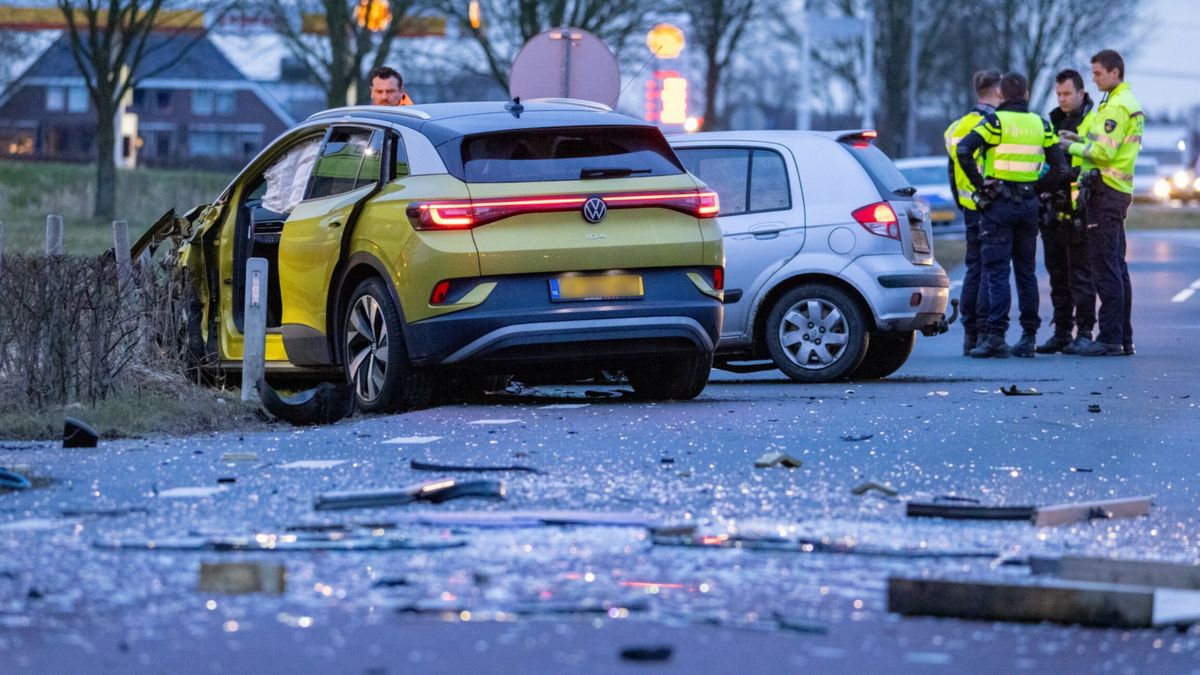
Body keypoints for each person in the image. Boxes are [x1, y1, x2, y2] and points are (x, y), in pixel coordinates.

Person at [956, 72, 1070, 358]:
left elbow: (964, 149)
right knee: (1026, 272)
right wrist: (1034, 187)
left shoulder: (995, 122)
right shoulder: (1040, 124)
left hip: (998, 205)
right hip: (1028, 206)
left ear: (1001, 95)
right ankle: (1029, 337)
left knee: (996, 272)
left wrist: (980, 184)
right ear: (1027, 95)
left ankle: (996, 336)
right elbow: (1061, 168)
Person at [1062, 49, 1142, 357]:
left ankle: (1110, 337)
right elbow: (1100, 144)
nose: (1093, 79)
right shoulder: (1119, 103)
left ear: (1114, 72)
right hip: (1114, 190)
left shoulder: (1118, 106)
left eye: (1097, 74)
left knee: (1105, 266)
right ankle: (1122, 337)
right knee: (1116, 266)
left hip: (1105, 191)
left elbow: (1104, 154)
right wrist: (1080, 140)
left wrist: (1071, 147)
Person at [1036, 69, 1098, 355]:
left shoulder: (1093, 121)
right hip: (1054, 206)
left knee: (1081, 273)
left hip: (1082, 208)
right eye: (1058, 94)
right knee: (1057, 273)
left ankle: (1084, 331)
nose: (1062, 99)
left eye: (1067, 94)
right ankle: (1062, 331)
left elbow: (1093, 161)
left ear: (1081, 93)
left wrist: (1065, 169)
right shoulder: (1051, 121)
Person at [945, 69, 1002, 355]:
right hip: (989, 205)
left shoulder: (956, 127)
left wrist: (962, 200)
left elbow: (951, 170)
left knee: (973, 269)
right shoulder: (992, 125)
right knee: (990, 271)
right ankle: (982, 333)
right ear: (998, 92)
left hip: (968, 207)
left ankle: (970, 334)